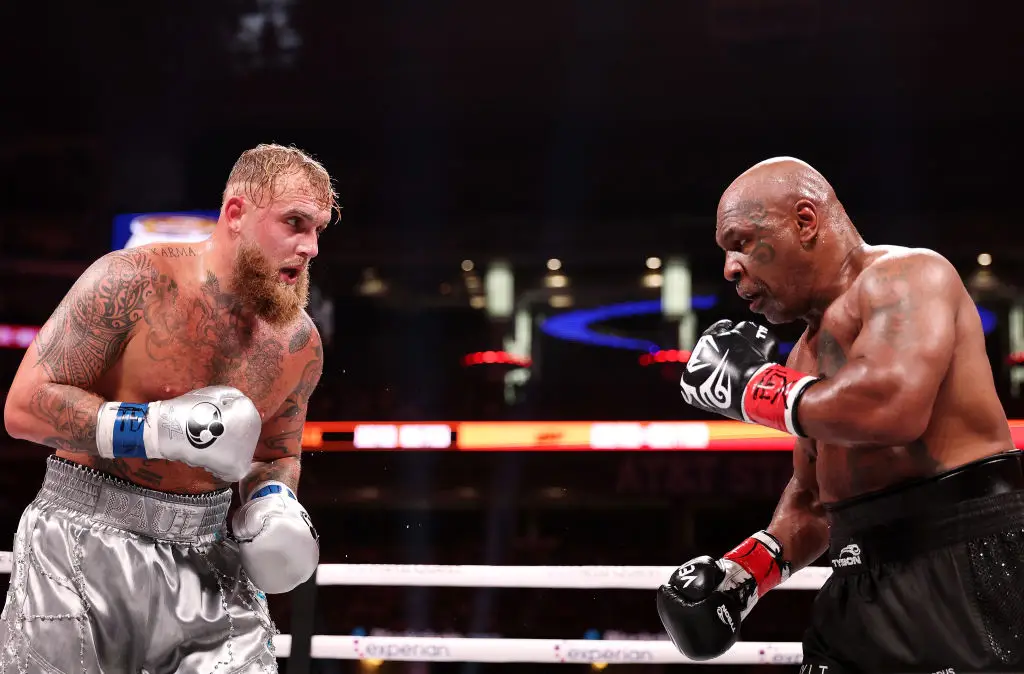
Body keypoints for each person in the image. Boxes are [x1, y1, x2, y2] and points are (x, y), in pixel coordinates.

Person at [656, 157, 1024, 673]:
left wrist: (751, 388)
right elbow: (813, 500)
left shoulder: (908, 276)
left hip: (961, 564)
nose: (730, 267)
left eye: (742, 241)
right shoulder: (802, 357)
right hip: (857, 581)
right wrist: (745, 574)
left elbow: (892, 405)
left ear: (805, 221)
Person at [1, 143, 336, 673]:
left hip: (208, 558)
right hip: (81, 544)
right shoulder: (132, 279)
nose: (311, 246)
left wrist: (272, 502)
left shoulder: (299, 342)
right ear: (236, 213)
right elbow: (23, 407)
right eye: (294, 223)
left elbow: (275, 450)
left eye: (318, 228)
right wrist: (157, 428)